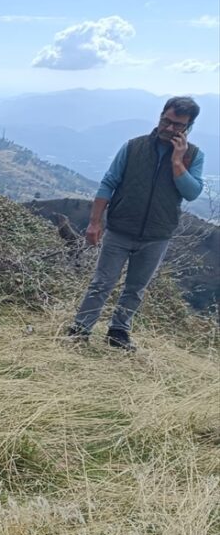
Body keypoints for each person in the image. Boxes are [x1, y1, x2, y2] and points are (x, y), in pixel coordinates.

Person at [67, 96, 205, 351]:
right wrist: (95, 223)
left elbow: (192, 192)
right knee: (102, 283)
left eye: (178, 125)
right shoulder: (133, 147)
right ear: (161, 115)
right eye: (167, 120)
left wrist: (177, 161)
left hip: (157, 234)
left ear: (189, 127)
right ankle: (80, 329)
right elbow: (108, 183)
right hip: (120, 229)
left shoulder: (193, 156)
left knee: (136, 288)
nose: (169, 128)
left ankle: (118, 333)